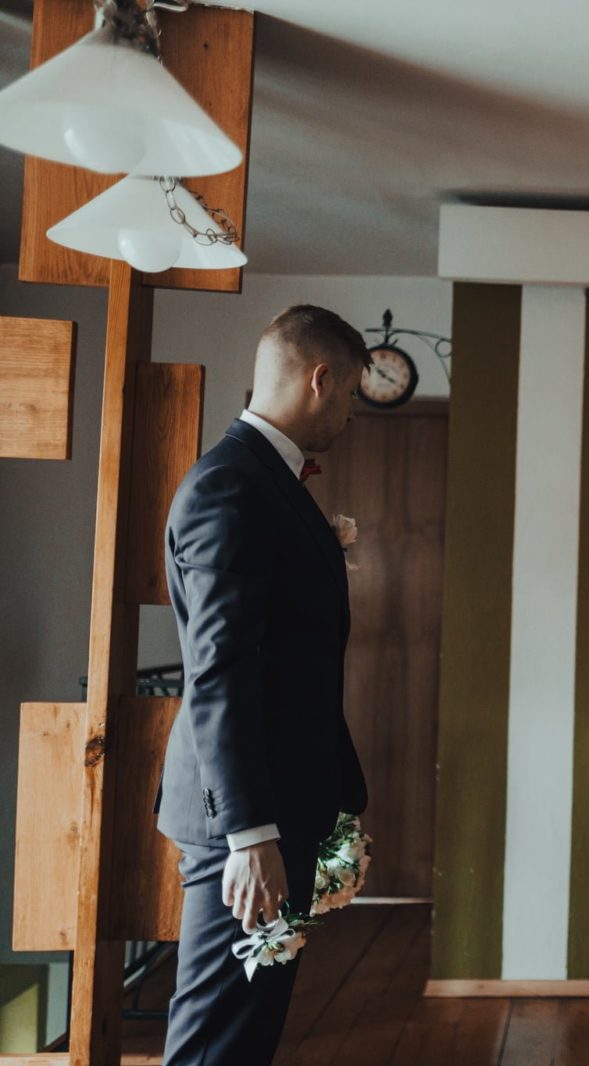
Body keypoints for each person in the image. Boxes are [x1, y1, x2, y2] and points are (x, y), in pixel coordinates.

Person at [156, 305, 371, 1065]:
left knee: (246, 1035)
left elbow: (289, 662)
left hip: (284, 811)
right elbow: (220, 669)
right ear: (320, 379)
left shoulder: (266, 481)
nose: (349, 414)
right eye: (351, 394)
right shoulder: (232, 487)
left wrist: (336, 807)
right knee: (216, 1040)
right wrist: (251, 836)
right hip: (247, 825)